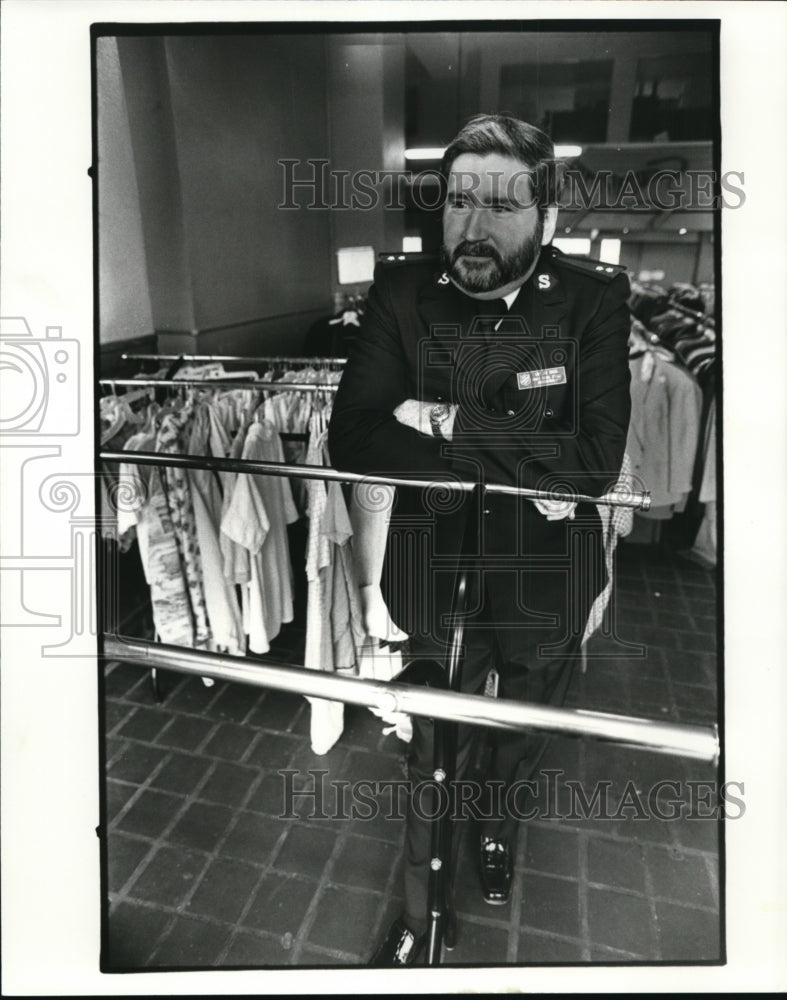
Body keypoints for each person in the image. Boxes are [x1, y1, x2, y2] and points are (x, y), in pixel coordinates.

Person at [328, 114, 632, 966]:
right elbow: (352, 436)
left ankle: (497, 836)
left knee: (518, 734)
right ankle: (422, 912)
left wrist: (445, 418)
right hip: (433, 574)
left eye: (503, 205)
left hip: (547, 580)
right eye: (459, 199)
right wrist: (529, 454)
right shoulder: (400, 295)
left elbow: (596, 462)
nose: (473, 225)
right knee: (433, 746)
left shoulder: (593, 304)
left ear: (545, 216)